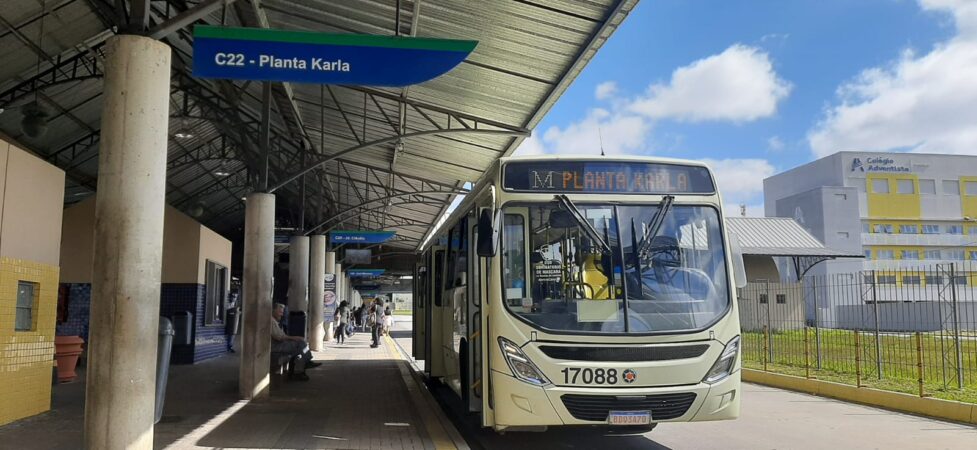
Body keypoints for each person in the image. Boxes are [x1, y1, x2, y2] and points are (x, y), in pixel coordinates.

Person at [271, 303, 321, 381]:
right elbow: (279, 337)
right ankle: (306, 362)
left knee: (300, 353)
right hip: (276, 346)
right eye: (280, 312)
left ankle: (300, 370)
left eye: (282, 312)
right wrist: (294, 338)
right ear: (273, 311)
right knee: (300, 344)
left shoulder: (275, 321)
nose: (281, 314)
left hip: (279, 344)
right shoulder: (271, 321)